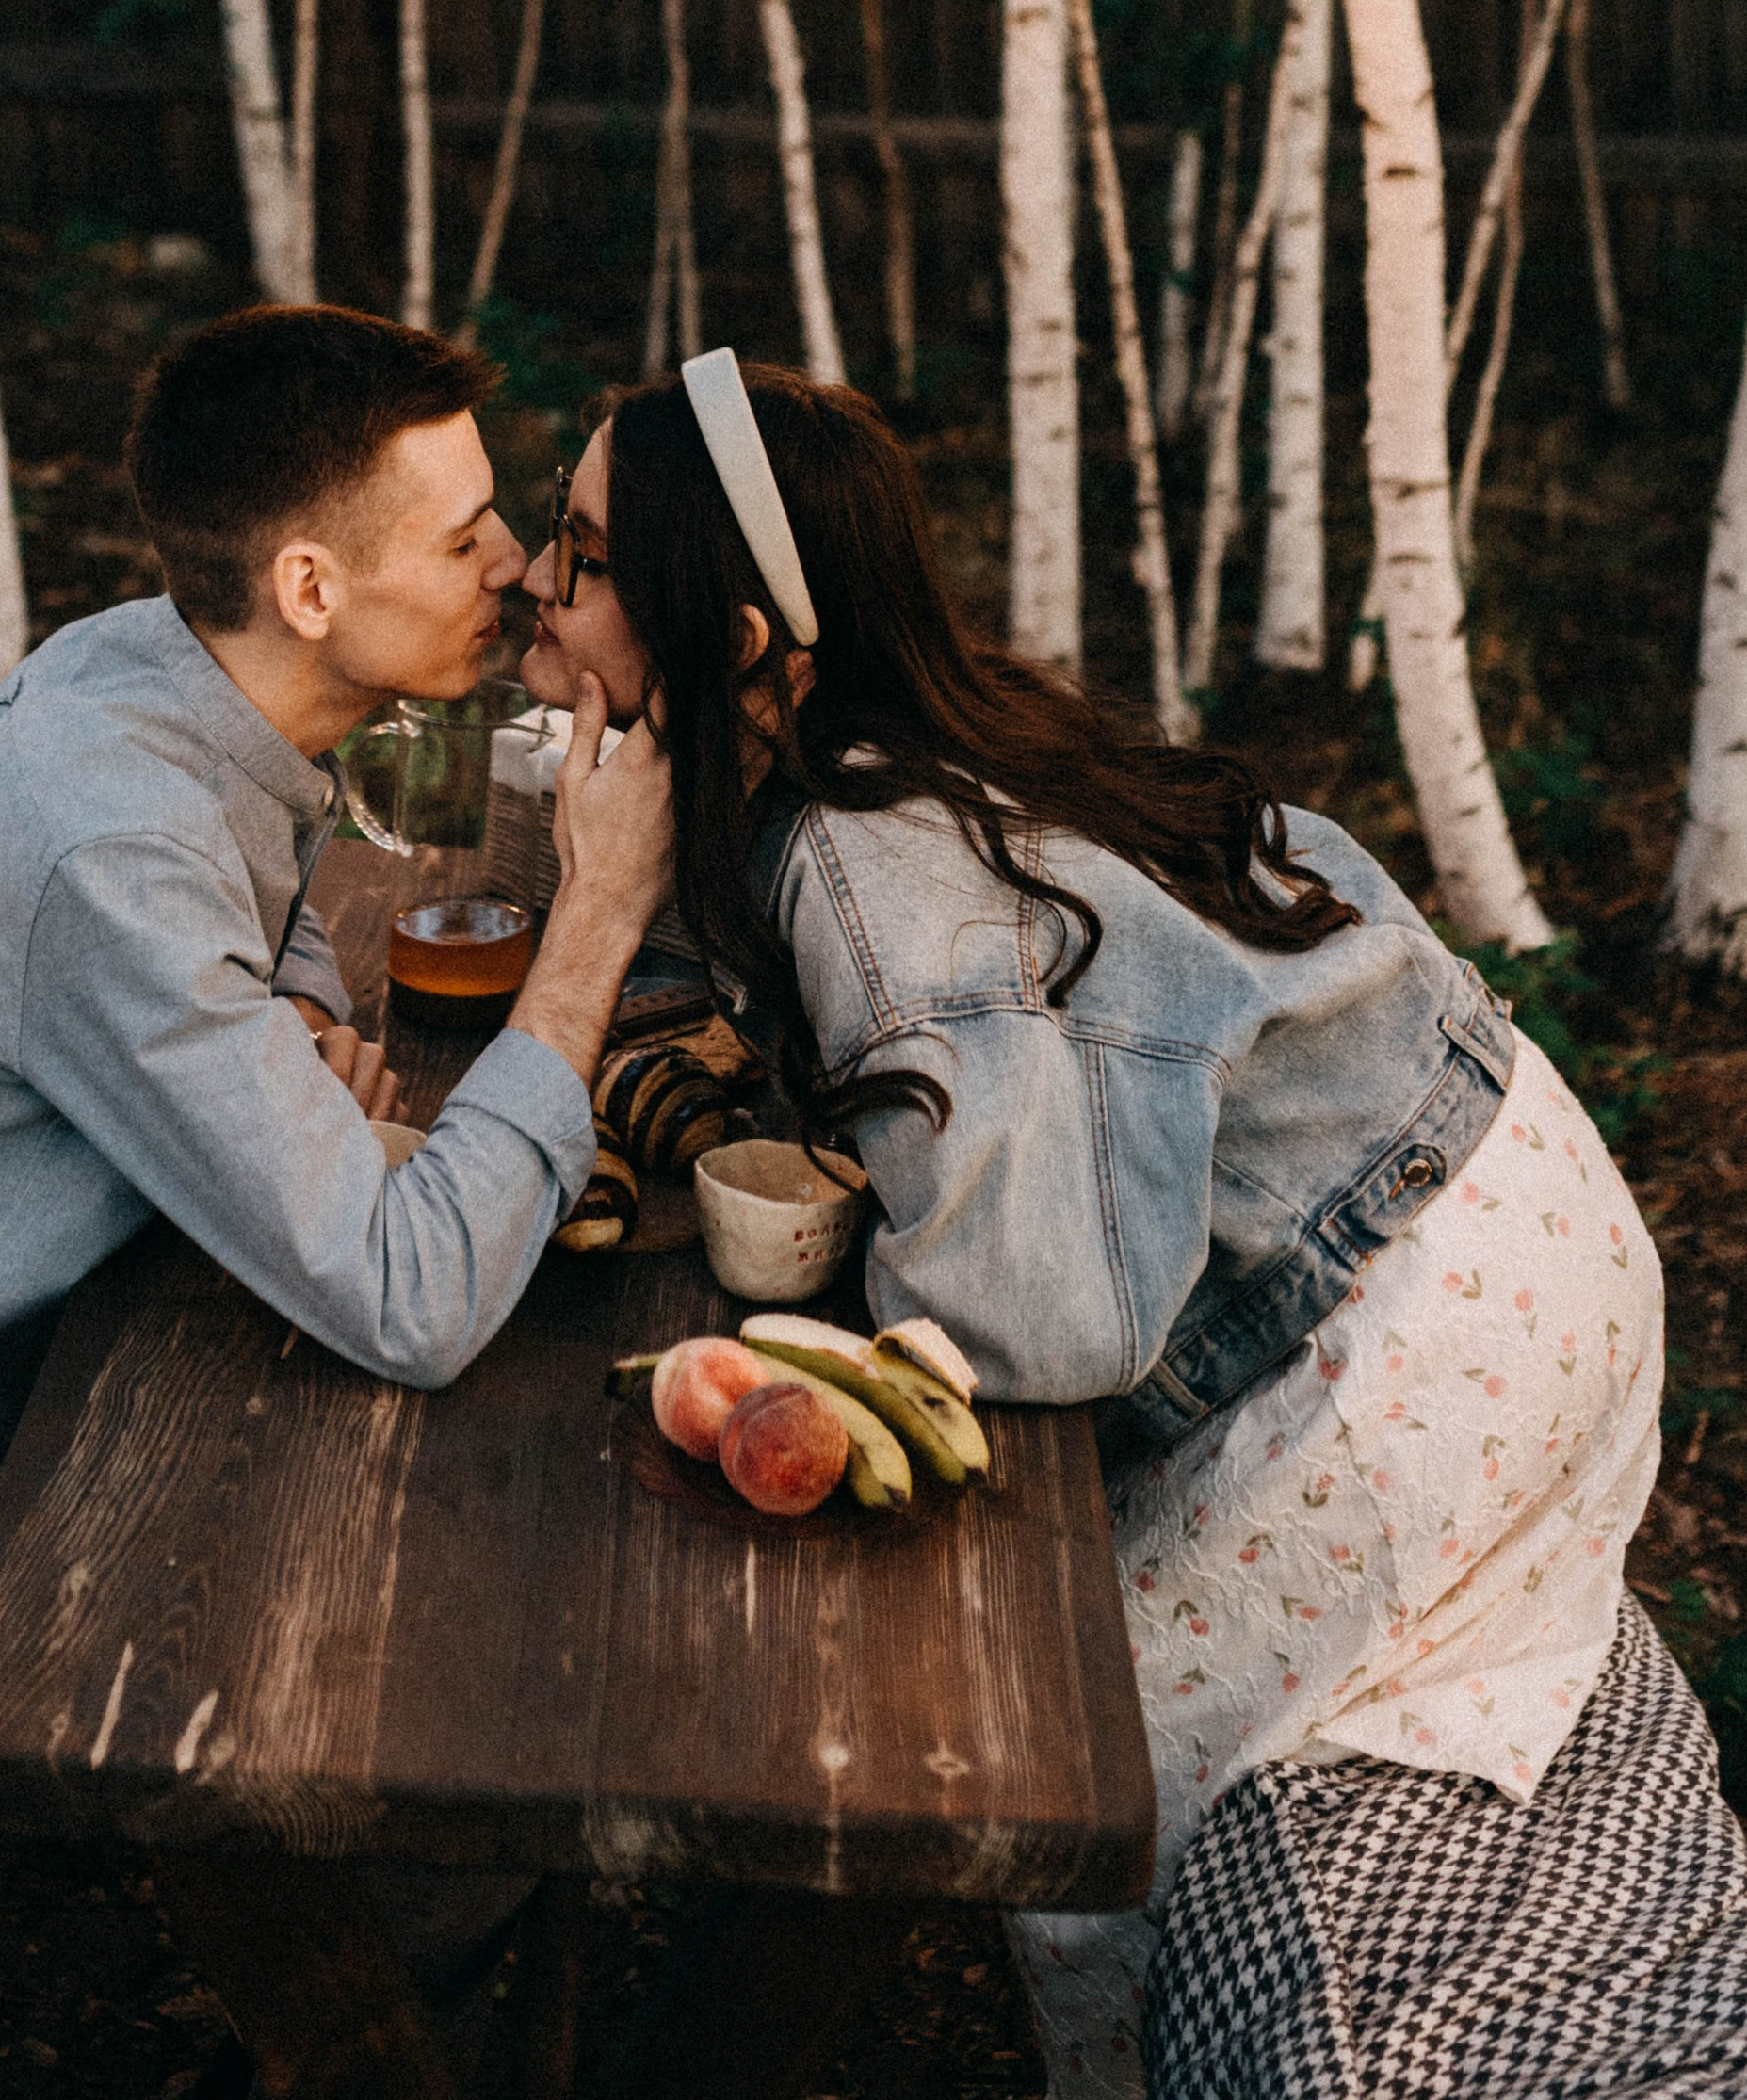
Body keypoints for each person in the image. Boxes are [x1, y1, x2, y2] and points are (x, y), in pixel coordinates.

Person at [521, 352, 1745, 2100]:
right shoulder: (936, 732)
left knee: (1070, 1765)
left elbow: (1034, 1325)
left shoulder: (875, 860)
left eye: (580, 555)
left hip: (1424, 1344)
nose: (533, 589)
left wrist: (868, 1280)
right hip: (1511, 1174)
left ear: (728, 646)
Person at [0, 302, 670, 1769]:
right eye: (464, 533)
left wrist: (271, 1024)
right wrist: (597, 923)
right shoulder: (100, 840)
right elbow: (412, 1300)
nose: (519, 568)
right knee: (427, 1659)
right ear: (307, 586)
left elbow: (264, 891)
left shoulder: (150, 673)